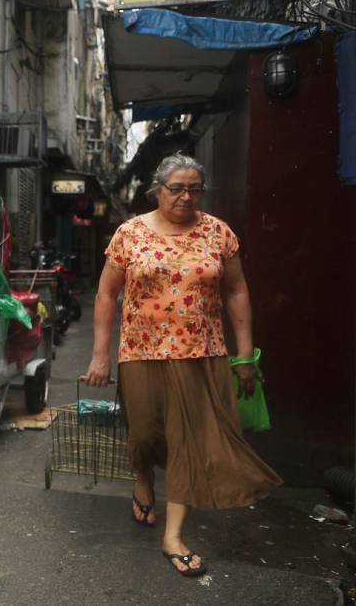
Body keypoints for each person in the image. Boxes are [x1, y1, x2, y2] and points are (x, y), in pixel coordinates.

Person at [84, 153, 281, 578]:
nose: (186, 196)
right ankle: (142, 479)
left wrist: (244, 355)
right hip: (140, 351)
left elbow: (236, 292)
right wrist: (101, 353)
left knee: (186, 443)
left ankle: (173, 536)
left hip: (201, 353)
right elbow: (105, 295)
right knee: (145, 435)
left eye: (194, 188)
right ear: (158, 189)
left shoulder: (217, 233)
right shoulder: (130, 234)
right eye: (177, 188)